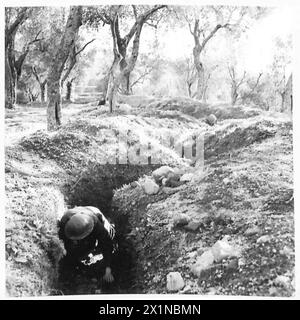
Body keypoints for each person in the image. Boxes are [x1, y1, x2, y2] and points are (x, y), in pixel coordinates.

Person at [58, 206, 116, 283]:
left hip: (94, 214)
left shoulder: (98, 226)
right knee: (78, 249)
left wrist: (108, 268)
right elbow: (64, 240)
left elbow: (106, 244)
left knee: (109, 237)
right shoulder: (65, 221)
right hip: (81, 216)